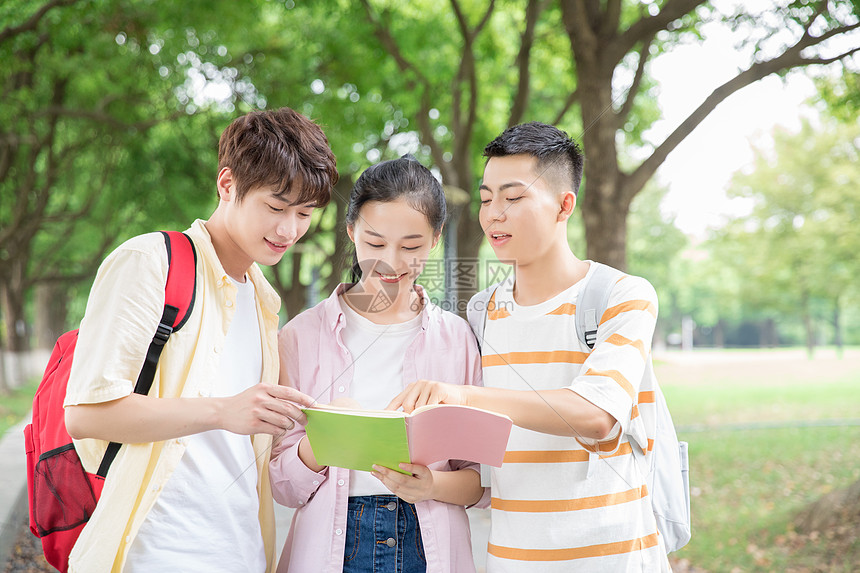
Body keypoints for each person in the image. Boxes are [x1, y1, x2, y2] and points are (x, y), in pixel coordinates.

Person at [62, 107, 338, 573]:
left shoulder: (264, 302)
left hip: (243, 553)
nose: (289, 230)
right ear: (227, 185)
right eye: (275, 208)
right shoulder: (150, 263)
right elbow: (85, 414)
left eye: (305, 213)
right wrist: (222, 411)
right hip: (154, 554)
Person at [389, 122, 672, 571]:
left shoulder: (622, 295)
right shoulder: (482, 312)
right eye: (485, 199)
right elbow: (488, 468)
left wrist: (462, 394)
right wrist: (430, 484)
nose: (493, 214)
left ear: (564, 205)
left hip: (611, 558)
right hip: (512, 559)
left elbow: (596, 416)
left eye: (513, 197)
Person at [269, 155, 484, 573]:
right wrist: (328, 440)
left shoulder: (457, 339)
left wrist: (431, 484)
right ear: (351, 232)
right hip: (334, 544)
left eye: (411, 246)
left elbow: (476, 482)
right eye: (375, 242)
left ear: (436, 239)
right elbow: (282, 486)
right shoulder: (299, 337)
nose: (391, 261)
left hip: (428, 542)